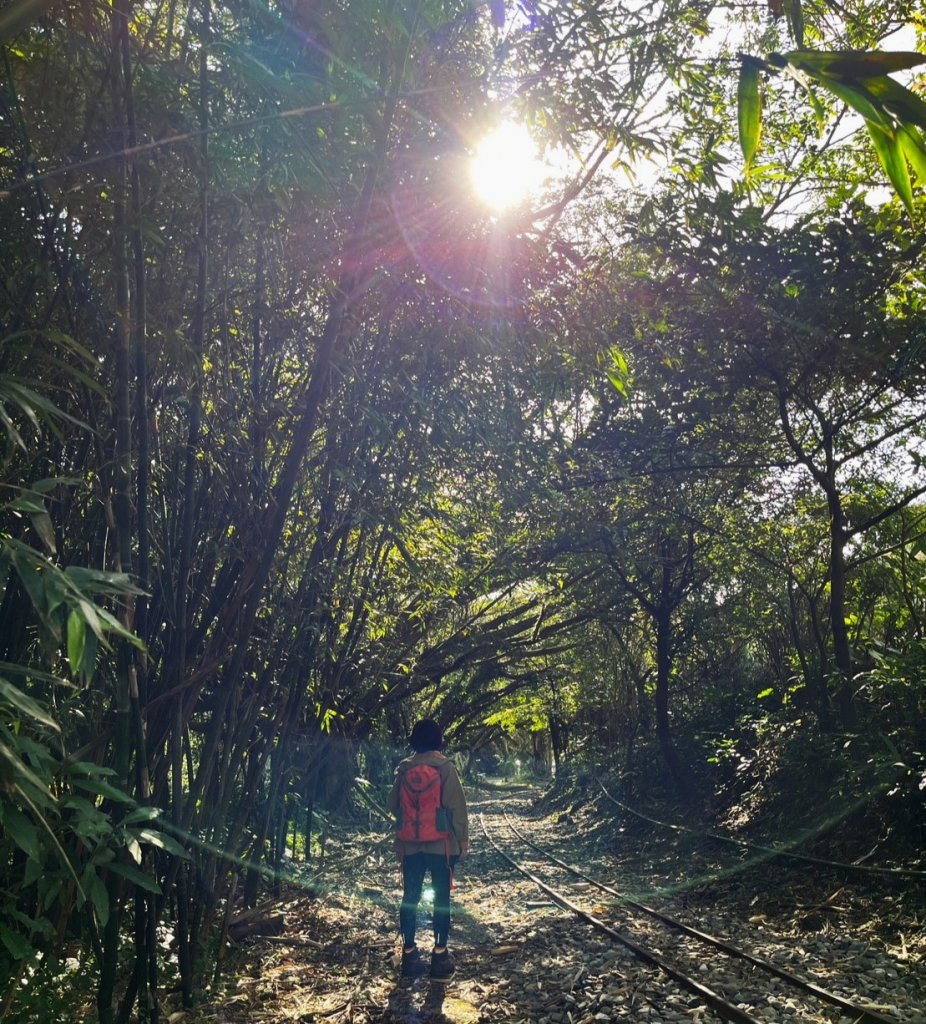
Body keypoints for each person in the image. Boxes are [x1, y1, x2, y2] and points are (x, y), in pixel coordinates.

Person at [388, 719, 469, 982]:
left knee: (410, 897)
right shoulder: (445, 767)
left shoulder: (404, 769)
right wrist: (463, 841)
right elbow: (456, 806)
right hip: (441, 845)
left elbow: (393, 805)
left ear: (414, 741)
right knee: (441, 900)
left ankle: (410, 956)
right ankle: (440, 958)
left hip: (410, 846)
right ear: (438, 741)